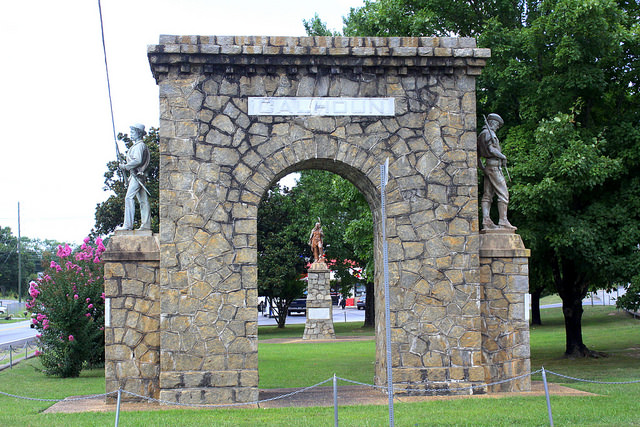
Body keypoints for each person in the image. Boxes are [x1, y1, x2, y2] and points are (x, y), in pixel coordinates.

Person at [477, 113, 515, 230]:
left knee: (487, 195)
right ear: (493, 123)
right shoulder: (489, 134)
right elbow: (491, 149)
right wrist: (502, 156)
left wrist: (482, 168)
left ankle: (486, 220)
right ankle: (503, 220)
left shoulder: (481, 135)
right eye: (497, 125)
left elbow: (477, 155)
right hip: (494, 168)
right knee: (503, 194)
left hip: (488, 168)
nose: (497, 127)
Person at [120, 123, 151, 230]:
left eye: (133, 132)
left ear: (138, 133)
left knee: (129, 198)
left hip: (138, 175)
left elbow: (137, 160)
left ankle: (128, 225)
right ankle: (146, 225)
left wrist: (125, 166)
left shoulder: (140, 146)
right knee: (143, 200)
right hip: (136, 175)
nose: (131, 134)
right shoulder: (138, 146)